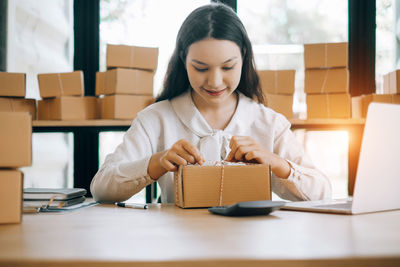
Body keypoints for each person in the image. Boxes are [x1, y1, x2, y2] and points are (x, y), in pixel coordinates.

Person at [90, 3, 332, 203]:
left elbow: (323, 193)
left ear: (244, 57)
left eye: (228, 67)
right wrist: (156, 163)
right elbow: (101, 188)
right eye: (201, 68)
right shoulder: (155, 118)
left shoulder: (269, 123)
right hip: (179, 249)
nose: (215, 82)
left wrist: (277, 164)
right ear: (184, 59)